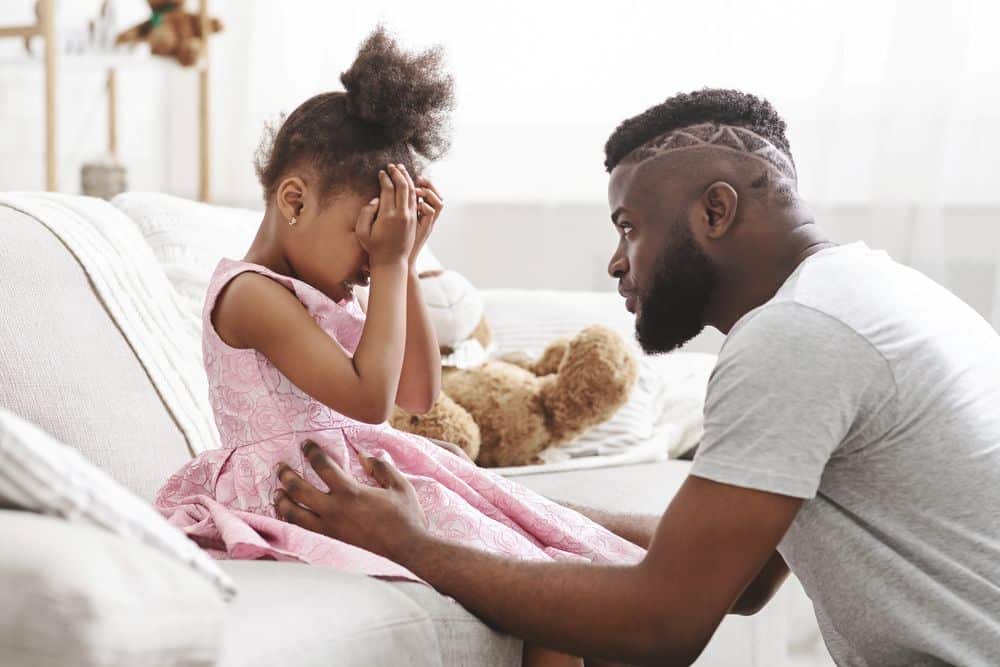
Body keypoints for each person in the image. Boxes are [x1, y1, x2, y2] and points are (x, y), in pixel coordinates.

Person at [273, 89, 1000, 666]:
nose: (617, 262)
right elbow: (743, 576)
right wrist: (491, 505)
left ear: (715, 210)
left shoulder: (797, 334)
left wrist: (416, 546)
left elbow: (663, 622)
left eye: (629, 226)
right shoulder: (875, 294)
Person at [154, 27, 642, 667]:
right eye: (368, 237)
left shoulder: (329, 286)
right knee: (546, 601)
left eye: (387, 238)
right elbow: (366, 400)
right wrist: (387, 267)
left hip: (359, 480)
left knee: (567, 579)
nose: (372, 259)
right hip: (306, 494)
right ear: (294, 200)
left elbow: (416, 392)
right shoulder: (249, 295)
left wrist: (404, 263)